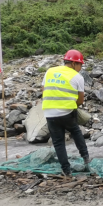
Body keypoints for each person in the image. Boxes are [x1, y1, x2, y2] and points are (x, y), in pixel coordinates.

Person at [41, 49, 90, 178]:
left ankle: (66, 171)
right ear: (74, 63)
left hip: (49, 112)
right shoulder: (77, 77)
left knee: (58, 142)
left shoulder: (49, 71)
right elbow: (80, 100)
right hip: (67, 112)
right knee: (75, 131)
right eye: (80, 65)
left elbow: (44, 90)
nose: (80, 68)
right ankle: (85, 157)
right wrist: (73, 106)